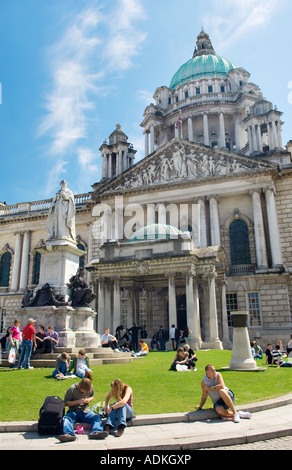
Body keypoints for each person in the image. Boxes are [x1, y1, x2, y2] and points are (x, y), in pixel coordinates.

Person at [58, 378, 108, 442]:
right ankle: (69, 434)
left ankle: (96, 432)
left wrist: (88, 400)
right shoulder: (72, 389)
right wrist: (78, 402)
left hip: (85, 411)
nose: (84, 392)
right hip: (74, 411)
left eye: (86, 391)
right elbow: (66, 403)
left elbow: (92, 397)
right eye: (83, 390)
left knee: (97, 417)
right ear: (79, 386)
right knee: (66, 419)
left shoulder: (90, 387)